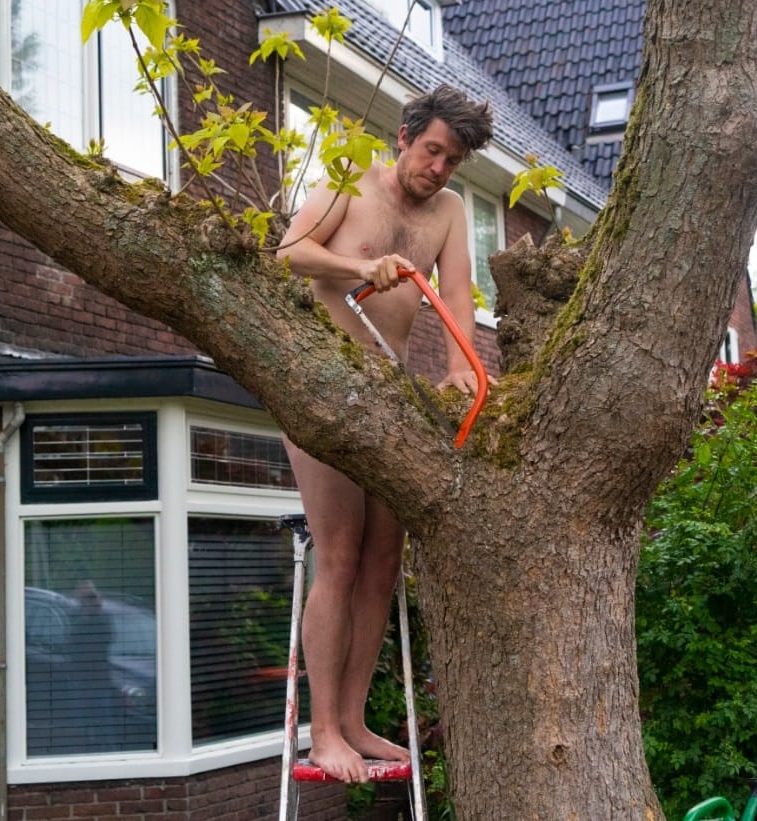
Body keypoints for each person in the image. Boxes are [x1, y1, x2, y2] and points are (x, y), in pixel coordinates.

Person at [276, 84, 494, 783]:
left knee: (380, 563)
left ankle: (355, 720)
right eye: (432, 151)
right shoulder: (350, 175)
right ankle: (322, 732)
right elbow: (290, 252)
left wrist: (460, 367)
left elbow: (456, 296)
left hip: (389, 395)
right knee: (339, 554)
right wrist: (358, 267)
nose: (438, 168)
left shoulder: (450, 211)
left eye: (452, 161)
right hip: (322, 387)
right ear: (404, 137)